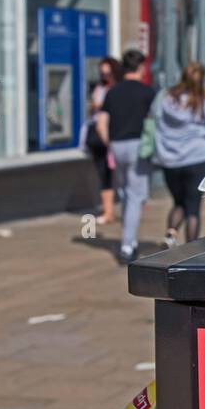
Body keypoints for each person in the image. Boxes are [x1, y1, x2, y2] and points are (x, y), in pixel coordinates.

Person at [151, 60, 205, 245]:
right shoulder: (202, 102)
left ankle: (170, 233)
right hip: (195, 160)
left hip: (169, 161)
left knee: (178, 203)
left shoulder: (166, 99)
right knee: (192, 209)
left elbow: (155, 122)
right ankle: (191, 249)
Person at [100, 48, 157, 263]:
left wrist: (110, 144)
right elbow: (155, 122)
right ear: (140, 67)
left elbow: (101, 124)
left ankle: (129, 239)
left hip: (117, 145)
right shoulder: (147, 92)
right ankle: (127, 246)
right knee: (135, 196)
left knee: (125, 193)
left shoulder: (112, 92)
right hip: (138, 147)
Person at [83, 56, 120, 224]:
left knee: (120, 174)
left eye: (108, 73)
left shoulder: (118, 89)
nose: (105, 76)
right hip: (99, 136)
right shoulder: (100, 88)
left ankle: (122, 209)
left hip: (116, 134)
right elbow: (92, 112)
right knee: (104, 172)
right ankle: (108, 210)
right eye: (102, 73)